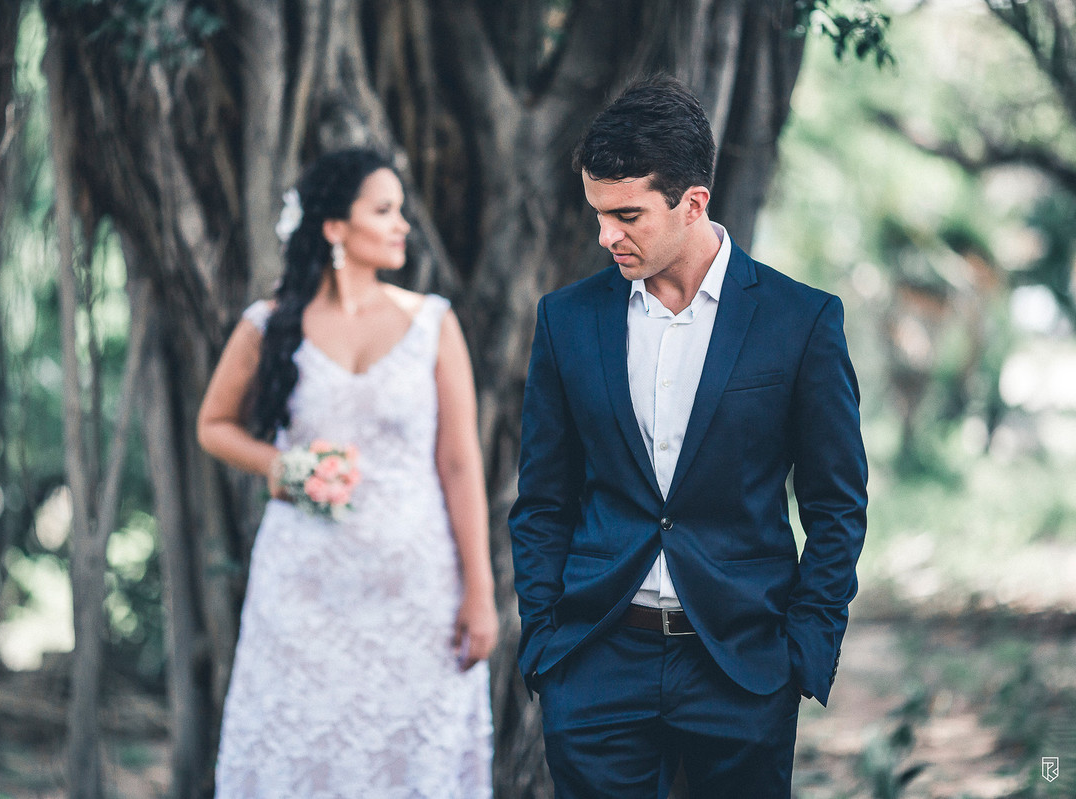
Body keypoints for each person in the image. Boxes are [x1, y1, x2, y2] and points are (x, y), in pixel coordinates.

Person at [509, 75, 868, 798]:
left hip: (741, 668)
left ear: (693, 202)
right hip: (596, 661)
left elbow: (836, 507)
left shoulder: (800, 323)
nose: (606, 235)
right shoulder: (567, 321)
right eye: (599, 214)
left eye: (628, 215)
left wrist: (804, 650)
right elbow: (543, 499)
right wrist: (546, 642)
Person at [198, 148, 497, 797]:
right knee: (302, 756)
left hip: (417, 594)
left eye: (400, 211)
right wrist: (283, 464)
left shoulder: (433, 324)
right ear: (334, 227)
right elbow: (213, 425)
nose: (402, 226)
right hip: (301, 594)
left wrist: (480, 590)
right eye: (383, 210)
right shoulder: (269, 324)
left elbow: (458, 461)